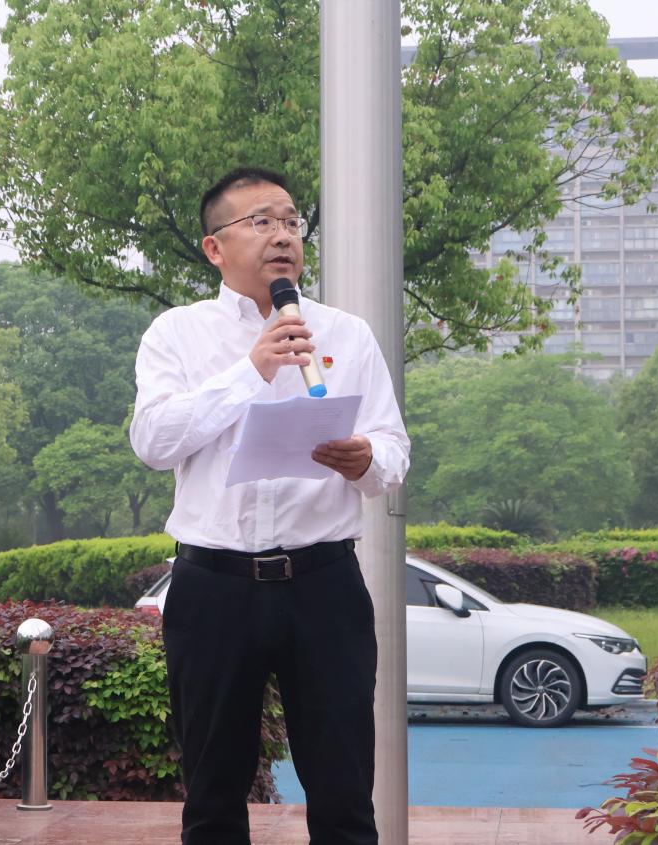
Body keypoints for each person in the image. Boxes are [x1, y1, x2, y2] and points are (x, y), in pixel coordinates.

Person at [129, 167, 409, 845]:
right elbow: (153, 441)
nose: (282, 236)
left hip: (323, 583)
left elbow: (393, 448)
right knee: (213, 792)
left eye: (290, 222)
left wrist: (365, 459)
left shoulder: (346, 332)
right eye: (260, 222)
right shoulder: (176, 334)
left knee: (343, 790)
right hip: (213, 585)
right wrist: (250, 371)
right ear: (214, 247)